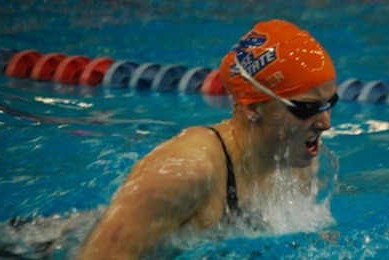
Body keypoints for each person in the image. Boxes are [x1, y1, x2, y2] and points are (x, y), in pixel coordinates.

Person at [79, 19, 339, 259]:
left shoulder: (299, 162)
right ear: (253, 108)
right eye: (306, 108)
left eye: (330, 103)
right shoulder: (183, 174)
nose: (325, 123)